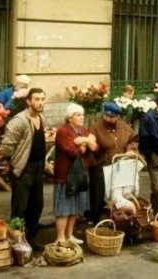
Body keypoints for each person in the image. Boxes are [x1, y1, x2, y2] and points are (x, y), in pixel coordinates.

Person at [1, 88, 47, 248]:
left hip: (39, 169)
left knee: (37, 205)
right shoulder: (19, 120)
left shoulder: (41, 117)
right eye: (36, 99)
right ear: (28, 101)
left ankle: (31, 239)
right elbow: (6, 146)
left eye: (42, 99)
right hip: (23, 169)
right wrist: (12, 162)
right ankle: (16, 244)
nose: (40, 102)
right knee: (20, 208)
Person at [87, 102, 138, 224]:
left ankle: (117, 214)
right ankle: (95, 218)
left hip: (119, 165)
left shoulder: (124, 127)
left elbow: (134, 138)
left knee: (117, 191)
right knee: (99, 192)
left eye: (112, 117)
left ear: (118, 117)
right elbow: (91, 145)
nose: (108, 119)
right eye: (106, 116)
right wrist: (95, 160)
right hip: (101, 165)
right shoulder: (95, 127)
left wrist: (131, 149)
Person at [53, 104, 97, 244]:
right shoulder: (63, 131)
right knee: (64, 208)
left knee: (75, 207)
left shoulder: (82, 130)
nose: (81, 117)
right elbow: (72, 152)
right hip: (66, 174)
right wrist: (85, 143)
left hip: (80, 173)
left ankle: (69, 235)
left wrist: (83, 141)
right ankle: (60, 237)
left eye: (82, 114)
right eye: (78, 114)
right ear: (69, 117)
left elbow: (95, 148)